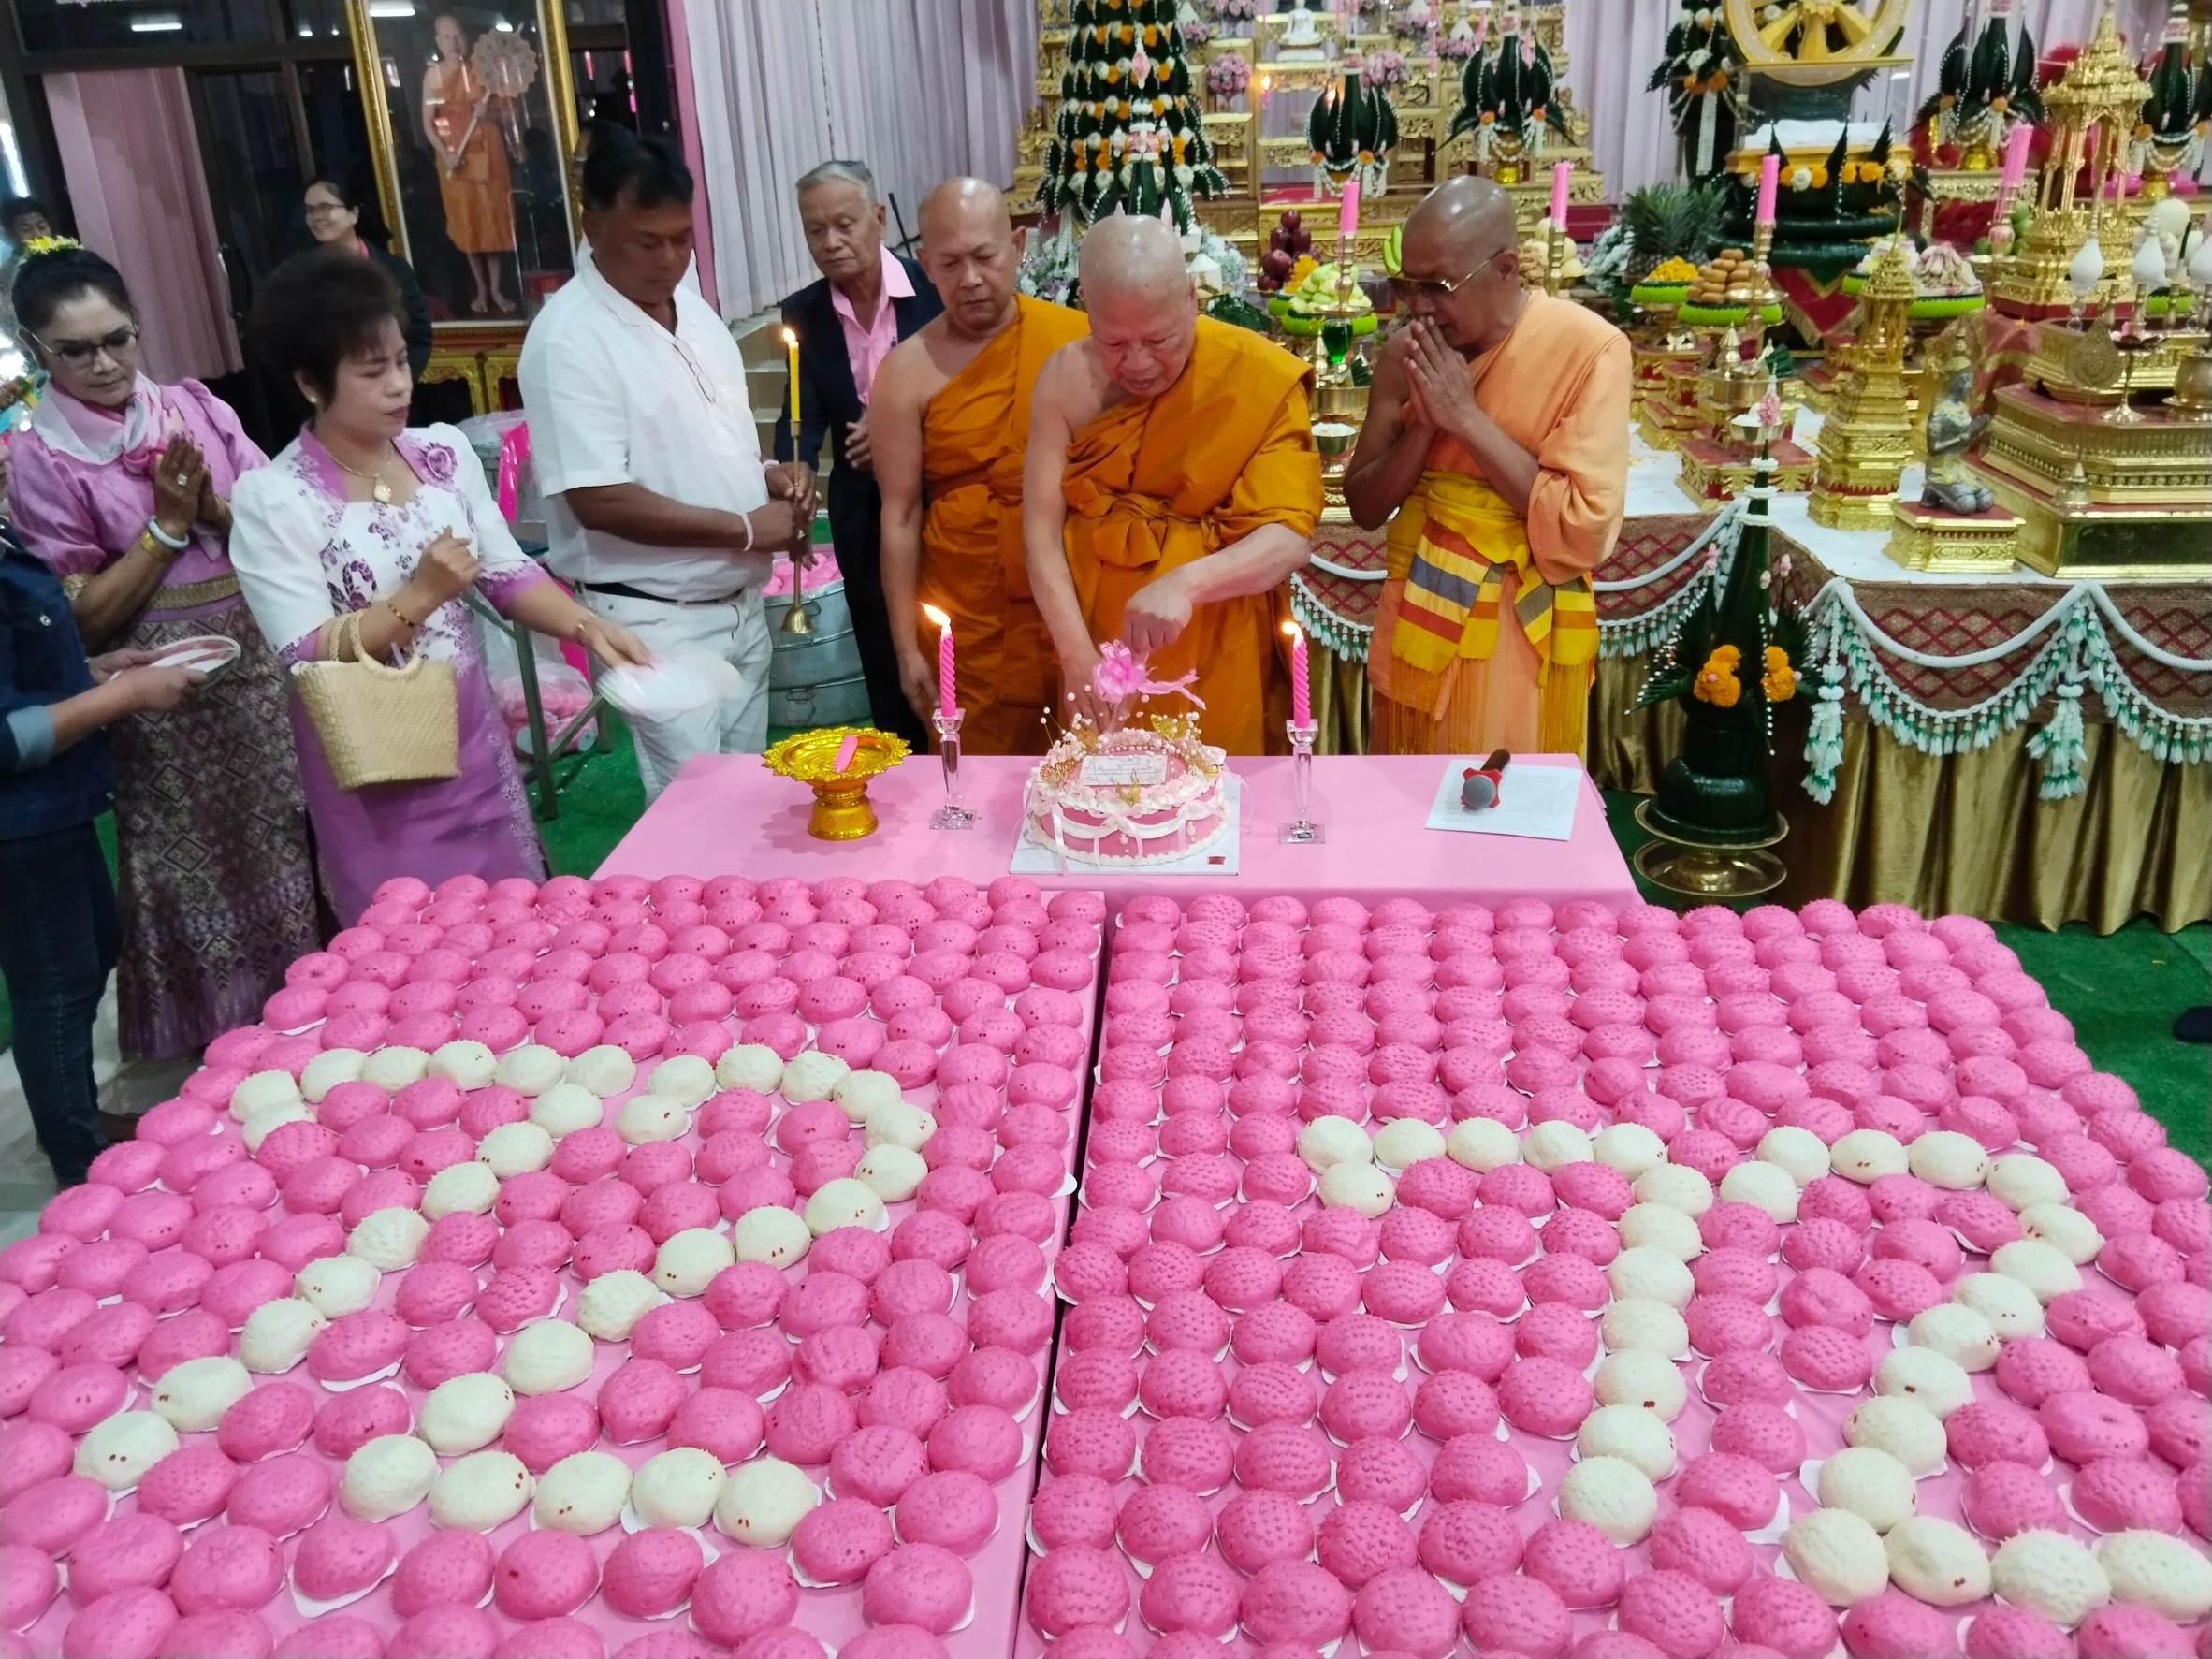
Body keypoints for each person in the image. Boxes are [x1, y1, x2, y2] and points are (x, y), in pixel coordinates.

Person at [229, 247, 648, 922]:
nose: (400, 385)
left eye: (401, 361)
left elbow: (507, 572)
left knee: (514, 925)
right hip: (377, 770)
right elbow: (304, 651)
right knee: (411, 954)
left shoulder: (442, 454)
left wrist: (586, 625)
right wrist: (418, 598)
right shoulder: (275, 497)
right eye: (373, 372)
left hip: (474, 746)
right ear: (310, 382)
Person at [7, 247, 321, 1065]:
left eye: (117, 338)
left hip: (254, 668)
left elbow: (275, 522)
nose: (104, 363)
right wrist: (165, 528)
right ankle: (227, 1044)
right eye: (75, 349)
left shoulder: (194, 407)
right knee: (197, 861)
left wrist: (208, 504)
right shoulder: (42, 459)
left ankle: (316, 1010)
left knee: (291, 830)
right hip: (156, 696)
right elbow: (80, 621)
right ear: (37, 351)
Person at [518, 136, 814, 799]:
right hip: (657, 621)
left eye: (682, 239)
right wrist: (744, 526)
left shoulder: (695, 308)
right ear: (592, 225)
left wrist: (765, 474)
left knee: (747, 802)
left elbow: (704, 436)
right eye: (646, 242)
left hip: (735, 604)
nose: (670, 259)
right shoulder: (570, 338)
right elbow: (599, 499)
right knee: (694, 821)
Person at [1344, 175, 1628, 760]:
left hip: (1521, 629)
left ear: (1505, 268)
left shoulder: (1590, 350)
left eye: (1438, 286)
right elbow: (1365, 507)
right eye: (1407, 285)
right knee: (1411, 804)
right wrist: (1425, 426)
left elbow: (1583, 527)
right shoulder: (1408, 352)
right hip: (1421, 609)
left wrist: (1465, 420)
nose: (1418, 307)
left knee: (1507, 801)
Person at [1023, 215, 1322, 755]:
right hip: (1094, 635)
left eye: (1158, 339)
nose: (1137, 363)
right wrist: (1074, 654)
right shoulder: (1065, 378)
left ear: (1191, 299)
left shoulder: (1254, 378)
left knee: (1215, 805)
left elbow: (1288, 538)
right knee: (1104, 806)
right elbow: (1040, 530)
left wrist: (1187, 583)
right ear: (1085, 309)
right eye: (1113, 342)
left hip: (1211, 635)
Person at [4, 437, 207, 1185]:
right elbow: (5, 735)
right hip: (18, 820)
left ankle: (77, 1119)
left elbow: (20, 672)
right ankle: (81, 1163)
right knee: (53, 983)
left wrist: (92, 670)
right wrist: (119, 698)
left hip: (53, 804)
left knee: (88, 948)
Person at [874, 177, 1088, 754]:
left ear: (1018, 246)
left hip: (1068, 600)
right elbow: (899, 514)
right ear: (925, 265)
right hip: (966, 610)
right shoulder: (905, 372)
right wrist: (904, 646)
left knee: (1081, 769)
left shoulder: (1076, 345)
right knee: (976, 776)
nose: (970, 279)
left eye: (985, 257)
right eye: (950, 263)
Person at [774, 160, 942, 749]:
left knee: (950, 636)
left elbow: (973, 388)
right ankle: (903, 765)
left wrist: (901, 432)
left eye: (844, 224)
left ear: (877, 219)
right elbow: (801, 413)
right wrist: (790, 464)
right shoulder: (806, 311)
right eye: (815, 230)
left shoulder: (935, 291)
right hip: (861, 510)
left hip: (942, 499)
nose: (831, 242)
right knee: (881, 645)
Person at [421, 11, 517, 315]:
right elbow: (428, 124)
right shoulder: (433, 76)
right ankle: (481, 289)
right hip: (456, 157)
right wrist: (446, 152)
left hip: (490, 154)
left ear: (467, 38)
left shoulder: (484, 72)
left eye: (457, 35)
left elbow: (508, 114)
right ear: (438, 41)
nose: (453, 42)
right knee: (468, 220)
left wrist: (487, 113)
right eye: (446, 37)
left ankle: (498, 288)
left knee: (492, 218)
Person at [302, 178, 433, 382]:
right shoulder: (304, 275)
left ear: (353, 214)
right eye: (310, 210)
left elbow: (419, 335)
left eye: (325, 207)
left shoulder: (395, 269)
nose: (317, 217)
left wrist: (399, 380)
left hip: (390, 387)